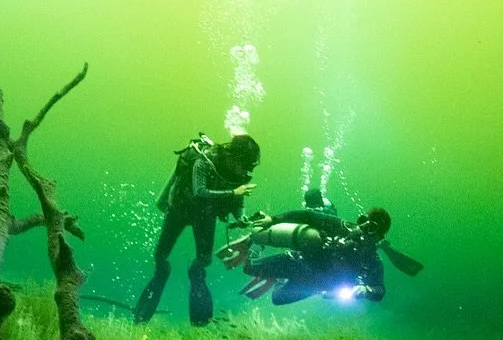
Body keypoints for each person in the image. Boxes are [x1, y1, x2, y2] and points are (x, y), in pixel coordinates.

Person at [133, 133, 261, 326]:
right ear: (232, 155)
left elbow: (238, 201)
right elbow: (199, 191)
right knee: (161, 256)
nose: (244, 170)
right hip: (179, 209)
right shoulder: (204, 161)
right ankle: (151, 295)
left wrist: (241, 217)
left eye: (248, 167)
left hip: (206, 216)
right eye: (243, 164)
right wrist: (233, 192)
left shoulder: (240, 173)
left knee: (203, 261)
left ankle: (200, 318)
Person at [224, 206, 395, 305]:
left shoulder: (372, 260)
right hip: (297, 262)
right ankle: (256, 244)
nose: (363, 228)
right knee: (249, 268)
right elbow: (307, 215)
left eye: (371, 228)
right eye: (362, 221)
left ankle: (277, 278)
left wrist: (365, 290)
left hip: (314, 284)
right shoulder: (341, 227)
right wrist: (273, 220)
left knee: (277, 299)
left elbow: (379, 291)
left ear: (379, 237)